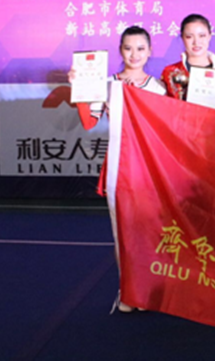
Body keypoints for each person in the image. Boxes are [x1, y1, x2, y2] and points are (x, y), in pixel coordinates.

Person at [69, 26, 166, 313]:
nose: (134, 54)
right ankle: (129, 290)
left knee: (150, 231)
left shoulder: (159, 88)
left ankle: (148, 289)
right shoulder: (107, 84)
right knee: (121, 231)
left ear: (150, 51)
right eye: (128, 48)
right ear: (120, 50)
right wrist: (80, 89)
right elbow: (89, 122)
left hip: (149, 168)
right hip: (119, 166)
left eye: (140, 48)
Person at [161, 13, 215, 99]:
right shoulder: (170, 72)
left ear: (209, 36)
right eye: (189, 37)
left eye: (202, 36)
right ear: (182, 38)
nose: (196, 42)